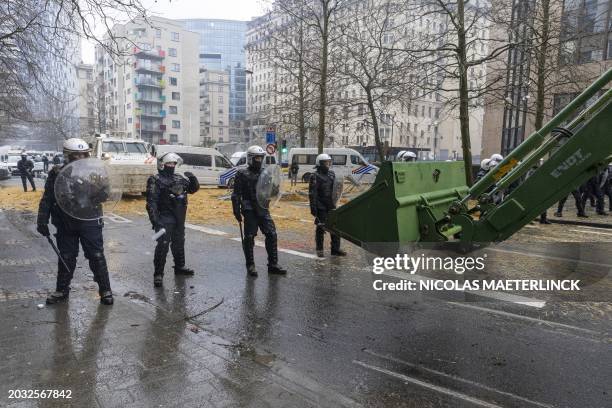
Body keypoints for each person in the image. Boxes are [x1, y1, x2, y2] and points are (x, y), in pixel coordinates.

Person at [36, 138, 114, 305]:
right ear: (67, 155)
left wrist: (100, 188)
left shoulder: (95, 171)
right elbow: (48, 197)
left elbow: (104, 196)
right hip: (65, 222)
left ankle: (105, 290)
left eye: (83, 154)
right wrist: (42, 219)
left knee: (96, 255)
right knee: (66, 256)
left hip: (90, 220)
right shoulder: (57, 173)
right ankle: (62, 290)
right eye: (75, 155)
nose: (79, 158)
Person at [146, 152, 200, 288]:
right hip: (164, 218)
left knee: (179, 242)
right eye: (169, 163)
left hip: (179, 217)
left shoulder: (178, 178)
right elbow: (151, 201)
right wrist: (155, 220)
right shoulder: (155, 179)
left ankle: (180, 267)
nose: (171, 166)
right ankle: (158, 274)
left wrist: (193, 179)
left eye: (173, 163)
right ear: (162, 164)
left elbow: (193, 189)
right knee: (162, 245)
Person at [232, 145, 287, 277]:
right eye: (256, 157)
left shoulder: (266, 172)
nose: (259, 160)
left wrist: (276, 189)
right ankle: (250, 265)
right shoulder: (241, 173)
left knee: (272, 234)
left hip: (263, 207)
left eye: (260, 157)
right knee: (250, 237)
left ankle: (273, 264)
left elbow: (269, 191)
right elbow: (236, 194)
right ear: (250, 158)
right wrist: (236, 210)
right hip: (249, 207)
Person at [309, 153, 346, 258]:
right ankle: (320, 249)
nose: (328, 164)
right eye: (326, 162)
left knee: (336, 227)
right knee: (321, 228)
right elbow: (313, 193)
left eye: (329, 162)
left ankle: (335, 249)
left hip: (331, 205)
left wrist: (336, 201)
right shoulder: (315, 176)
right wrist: (313, 208)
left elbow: (337, 188)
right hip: (321, 206)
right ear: (320, 164)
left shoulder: (332, 174)